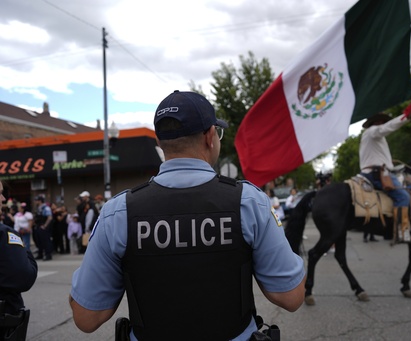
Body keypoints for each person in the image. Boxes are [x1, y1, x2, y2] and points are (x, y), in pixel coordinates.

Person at [69, 90, 306, 340]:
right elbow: (291, 297)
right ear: (210, 137)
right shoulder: (248, 202)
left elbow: (87, 317)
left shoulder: (117, 212)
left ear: (160, 143)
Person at [359, 108, 411, 242]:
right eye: (380, 121)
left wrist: (388, 162)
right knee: (403, 196)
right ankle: (402, 233)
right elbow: (384, 129)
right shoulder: (373, 131)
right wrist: (406, 117)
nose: (382, 123)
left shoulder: (372, 137)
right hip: (378, 174)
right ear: (375, 122)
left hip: (377, 171)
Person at [0, 181, 38, 315]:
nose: (3, 199)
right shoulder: (5, 234)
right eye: (0, 193)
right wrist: (24, 250)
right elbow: (25, 278)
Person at [33, 195, 53, 261]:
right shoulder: (39, 208)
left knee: (46, 241)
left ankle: (48, 255)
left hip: (43, 227)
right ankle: (40, 254)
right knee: (39, 241)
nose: (35, 202)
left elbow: (49, 217)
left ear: (40, 201)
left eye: (36, 200)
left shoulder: (46, 208)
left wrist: (45, 225)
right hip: (38, 226)